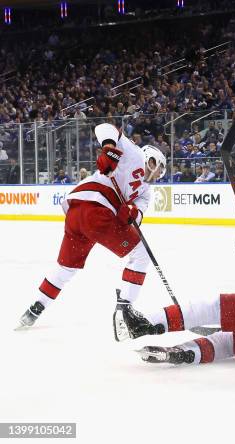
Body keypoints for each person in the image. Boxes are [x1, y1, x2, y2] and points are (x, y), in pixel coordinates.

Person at [16, 124, 167, 334]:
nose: (159, 173)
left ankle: (34, 309)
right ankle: (125, 309)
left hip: (78, 215)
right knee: (141, 254)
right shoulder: (133, 155)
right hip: (95, 212)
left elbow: (137, 217)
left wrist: (131, 214)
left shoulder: (146, 192)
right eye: (160, 167)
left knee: (67, 267)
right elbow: (104, 127)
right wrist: (109, 149)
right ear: (152, 159)